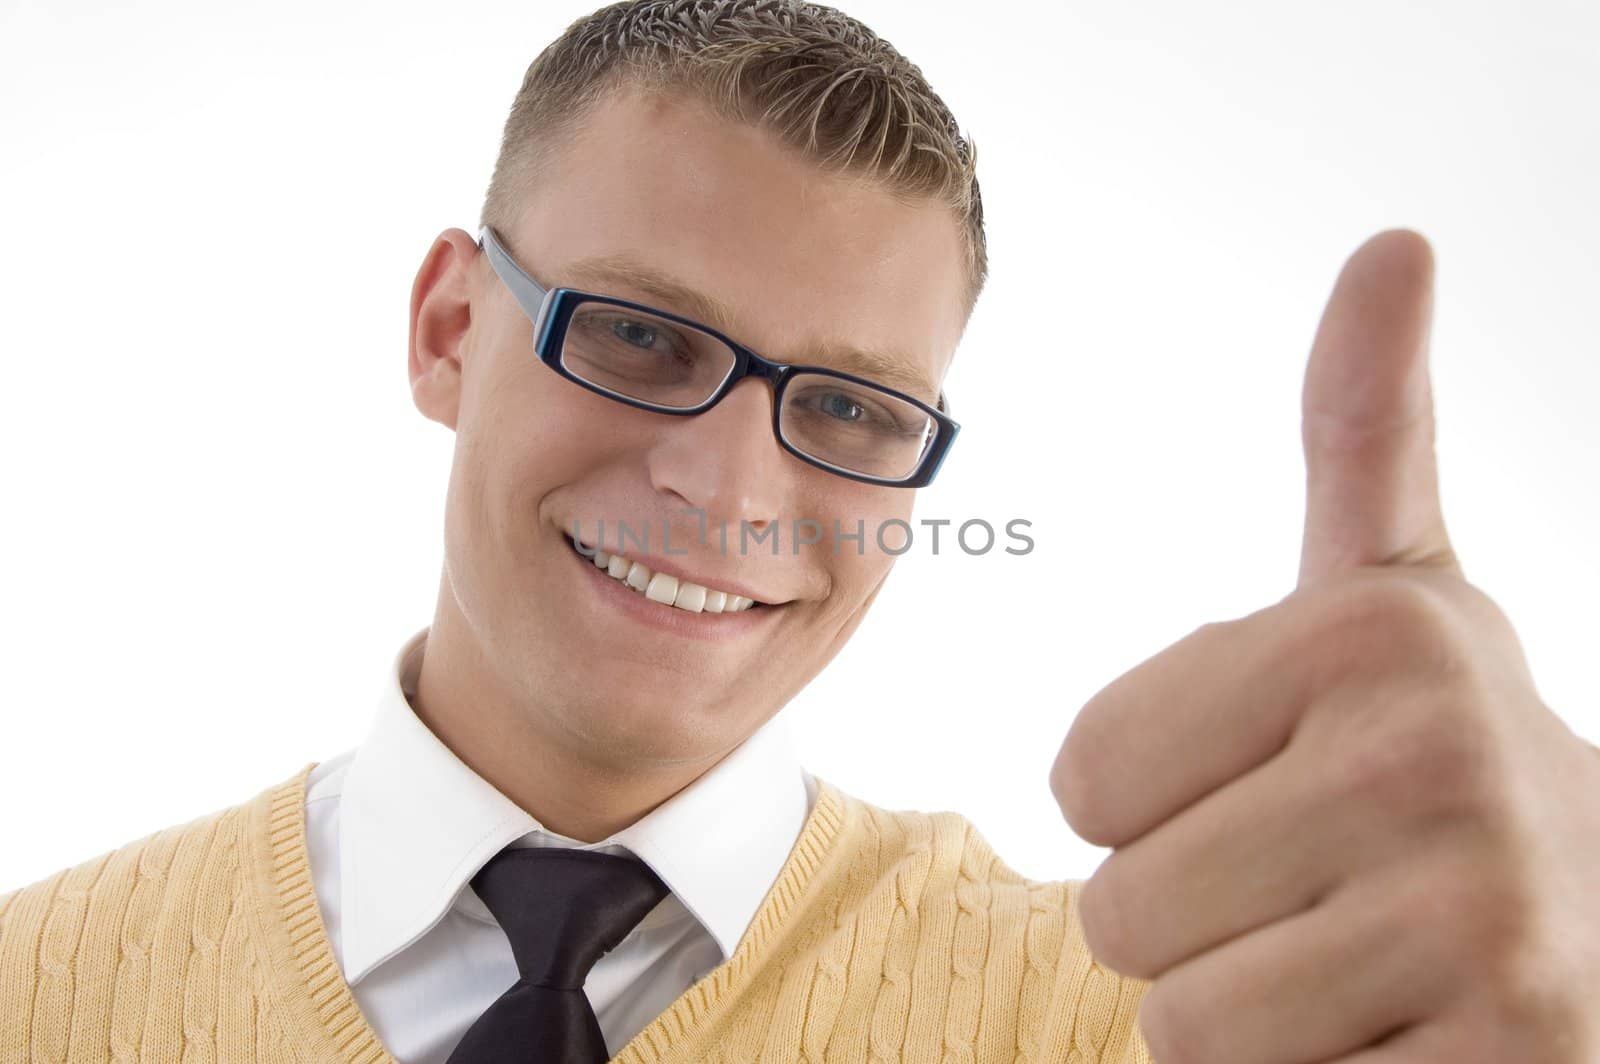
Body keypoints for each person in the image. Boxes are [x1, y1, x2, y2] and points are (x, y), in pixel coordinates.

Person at [5, 2, 1598, 1062]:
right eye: (640, 336)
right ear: (447, 331)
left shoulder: (1135, 1024)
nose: (732, 486)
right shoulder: (40, 992)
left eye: (846, 408)